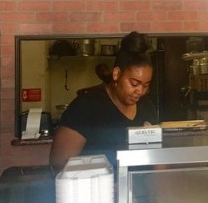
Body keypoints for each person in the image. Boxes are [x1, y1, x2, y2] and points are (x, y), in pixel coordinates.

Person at [49, 31, 158, 170]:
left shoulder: (147, 107)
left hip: (137, 183)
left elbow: (157, 158)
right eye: (134, 83)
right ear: (116, 74)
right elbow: (59, 163)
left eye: (146, 85)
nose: (140, 91)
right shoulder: (85, 107)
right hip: (95, 183)